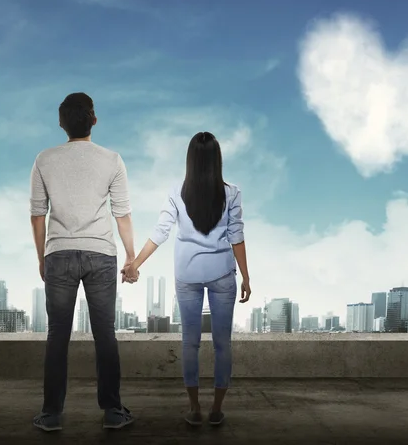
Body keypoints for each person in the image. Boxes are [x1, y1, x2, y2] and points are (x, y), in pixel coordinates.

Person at [123, 131, 251, 427]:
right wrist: (245, 276)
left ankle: (194, 408)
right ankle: (216, 409)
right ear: (217, 159)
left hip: (187, 276)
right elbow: (237, 236)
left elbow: (161, 232)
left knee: (189, 343)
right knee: (223, 344)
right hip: (222, 274)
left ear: (190, 160)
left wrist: (135, 265)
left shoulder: (176, 191)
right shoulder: (232, 192)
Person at [29, 92, 139, 432]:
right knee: (105, 334)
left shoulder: (44, 159)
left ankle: (51, 414)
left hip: (59, 254)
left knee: (57, 336)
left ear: (61, 123)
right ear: (94, 120)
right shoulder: (112, 160)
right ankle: (112, 412)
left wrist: (41, 258)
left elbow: (37, 216)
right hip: (101, 254)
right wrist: (132, 256)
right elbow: (122, 215)